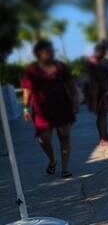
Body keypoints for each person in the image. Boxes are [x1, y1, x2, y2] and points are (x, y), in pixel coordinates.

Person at [21, 39, 77, 178]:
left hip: (63, 107)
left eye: (51, 50)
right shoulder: (31, 70)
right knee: (43, 139)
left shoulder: (61, 67)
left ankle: (65, 168)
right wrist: (26, 108)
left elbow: (71, 86)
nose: (51, 52)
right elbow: (27, 90)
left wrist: (75, 102)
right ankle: (52, 160)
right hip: (41, 111)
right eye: (47, 50)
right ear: (38, 53)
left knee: (65, 137)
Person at [86, 40, 108, 145]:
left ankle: (105, 136)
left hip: (103, 91)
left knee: (103, 115)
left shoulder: (100, 61)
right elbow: (98, 78)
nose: (105, 54)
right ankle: (103, 139)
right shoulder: (93, 61)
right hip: (98, 93)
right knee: (102, 115)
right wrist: (106, 90)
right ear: (99, 51)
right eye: (104, 51)